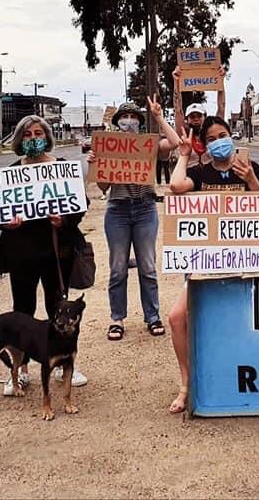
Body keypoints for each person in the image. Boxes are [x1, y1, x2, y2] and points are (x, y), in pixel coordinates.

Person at [167, 115, 259, 413]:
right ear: (205, 144)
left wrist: (249, 178)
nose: (217, 142)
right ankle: (187, 384)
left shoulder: (251, 169)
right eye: (211, 139)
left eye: (222, 135)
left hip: (244, 263)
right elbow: (176, 186)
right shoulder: (199, 174)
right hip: (206, 262)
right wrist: (184, 155)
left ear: (232, 136)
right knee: (176, 317)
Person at [0, 115, 88, 394]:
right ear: (20, 140)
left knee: (59, 307)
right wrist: (6, 222)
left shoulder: (61, 169)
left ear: (47, 137)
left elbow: (80, 206)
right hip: (21, 252)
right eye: (28, 134)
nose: (34, 138)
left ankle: (63, 364)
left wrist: (65, 220)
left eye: (39, 133)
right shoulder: (10, 172)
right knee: (22, 311)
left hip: (57, 251)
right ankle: (19, 371)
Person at [86, 97, 180, 341]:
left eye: (134, 117)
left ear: (140, 121)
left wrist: (158, 116)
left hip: (145, 209)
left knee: (147, 267)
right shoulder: (108, 147)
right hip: (117, 210)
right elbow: (104, 185)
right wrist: (98, 165)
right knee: (118, 268)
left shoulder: (149, 145)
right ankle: (117, 318)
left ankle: (152, 316)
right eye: (125, 118)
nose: (129, 121)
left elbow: (175, 142)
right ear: (117, 122)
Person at [172, 64, 226, 169]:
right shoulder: (183, 135)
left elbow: (221, 107)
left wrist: (221, 82)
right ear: (187, 119)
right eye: (192, 116)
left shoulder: (212, 133)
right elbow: (177, 109)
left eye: (199, 116)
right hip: (189, 181)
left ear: (205, 117)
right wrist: (176, 82)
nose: (196, 119)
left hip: (209, 181)